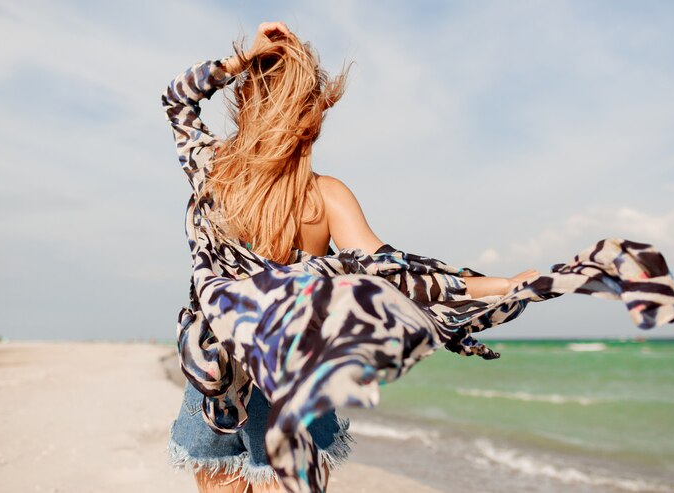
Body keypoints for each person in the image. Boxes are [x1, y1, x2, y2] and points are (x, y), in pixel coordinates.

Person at [162, 21, 543, 492]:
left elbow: (176, 100)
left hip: (215, 378)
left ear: (245, 102)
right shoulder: (325, 197)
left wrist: (244, 57)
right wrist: (500, 286)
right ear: (310, 117)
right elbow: (398, 275)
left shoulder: (213, 175)